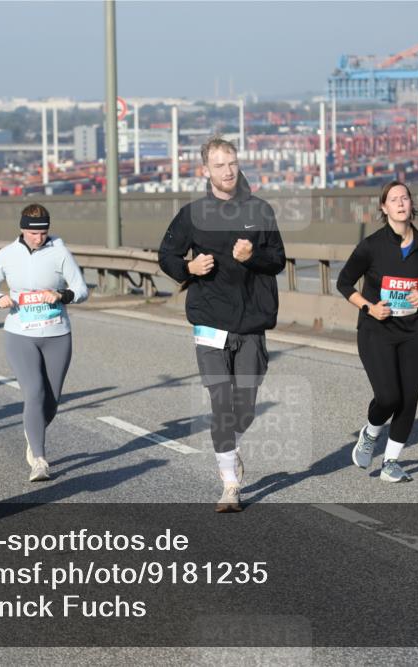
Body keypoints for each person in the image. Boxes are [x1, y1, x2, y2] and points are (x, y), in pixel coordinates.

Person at [158, 135, 285, 513]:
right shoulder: (192, 214)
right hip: (210, 319)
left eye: (231, 163)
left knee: (244, 406)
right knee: (221, 404)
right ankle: (230, 484)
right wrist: (188, 268)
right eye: (219, 165)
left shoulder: (260, 210)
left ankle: (232, 446)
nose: (227, 171)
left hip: (250, 321)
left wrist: (253, 255)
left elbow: (278, 259)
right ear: (206, 171)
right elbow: (167, 254)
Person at [337, 181, 418, 483]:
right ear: (384, 208)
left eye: (405, 198)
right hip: (376, 330)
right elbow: (344, 283)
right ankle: (371, 433)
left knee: (409, 399)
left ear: (412, 205)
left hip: (411, 332)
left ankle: (391, 463)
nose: (400, 203)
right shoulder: (372, 245)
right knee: (388, 397)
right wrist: (369, 307)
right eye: (393, 199)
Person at [0, 204, 88, 482]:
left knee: (51, 402)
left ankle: (33, 433)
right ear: (22, 229)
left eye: (42, 233)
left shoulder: (60, 252)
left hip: (57, 335)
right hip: (20, 334)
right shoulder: (6, 254)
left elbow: (82, 289)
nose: (37, 238)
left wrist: (63, 295)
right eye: (31, 233)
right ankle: (39, 461)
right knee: (34, 393)